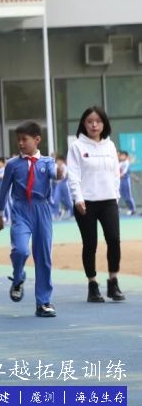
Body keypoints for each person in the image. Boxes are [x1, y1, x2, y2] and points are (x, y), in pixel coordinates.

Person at [0, 121, 60, 317]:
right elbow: (4, 189)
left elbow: (55, 175)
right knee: (21, 250)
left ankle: (43, 302)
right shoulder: (12, 164)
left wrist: (60, 172)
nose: (21, 143)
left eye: (25, 139)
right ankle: (18, 277)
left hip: (42, 210)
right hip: (21, 210)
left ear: (37, 140)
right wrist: (0, 214)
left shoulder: (47, 162)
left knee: (43, 257)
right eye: (18, 140)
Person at [67, 106, 125, 303]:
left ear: (104, 124)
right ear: (84, 124)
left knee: (114, 240)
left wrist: (115, 197)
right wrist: (78, 198)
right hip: (86, 203)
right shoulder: (77, 146)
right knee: (90, 243)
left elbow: (115, 174)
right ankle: (92, 285)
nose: (94, 125)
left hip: (109, 201)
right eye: (90, 121)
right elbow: (73, 175)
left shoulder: (110, 146)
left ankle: (113, 282)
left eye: (98, 121)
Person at [51, 156, 73, 220]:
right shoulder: (54, 166)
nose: (59, 162)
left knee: (68, 201)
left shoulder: (65, 167)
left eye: (60, 161)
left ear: (62, 161)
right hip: (57, 185)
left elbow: (64, 176)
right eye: (57, 161)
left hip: (64, 185)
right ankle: (56, 214)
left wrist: (60, 172)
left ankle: (72, 213)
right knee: (56, 199)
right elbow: (52, 176)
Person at [118, 151, 136, 215]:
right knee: (123, 196)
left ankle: (133, 209)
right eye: (121, 155)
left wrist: (117, 176)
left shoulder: (126, 162)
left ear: (126, 156)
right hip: (120, 180)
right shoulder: (120, 162)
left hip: (126, 180)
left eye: (123, 155)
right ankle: (130, 209)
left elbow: (124, 173)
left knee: (128, 195)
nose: (121, 156)